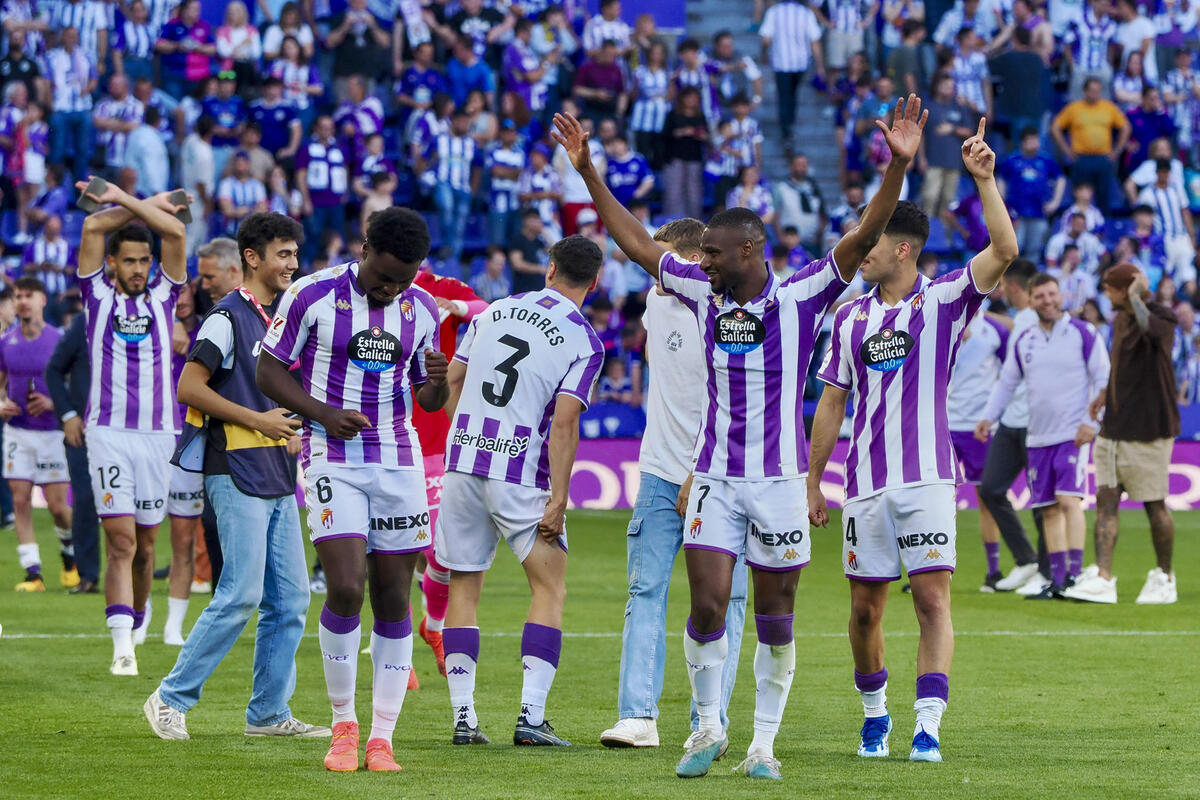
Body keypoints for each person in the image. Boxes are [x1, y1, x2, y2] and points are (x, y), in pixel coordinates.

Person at [554, 95, 925, 780]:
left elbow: (865, 227)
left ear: (750, 248)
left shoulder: (807, 292)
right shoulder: (699, 292)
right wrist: (589, 175)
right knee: (704, 604)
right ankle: (705, 727)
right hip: (716, 480)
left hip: (781, 483)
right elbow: (637, 243)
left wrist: (895, 168)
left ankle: (763, 744)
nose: (707, 264)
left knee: (776, 617)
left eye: (717, 255)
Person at [807, 118, 1019, 765]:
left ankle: (927, 724)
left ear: (902, 249)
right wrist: (814, 481)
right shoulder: (849, 318)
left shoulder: (949, 298)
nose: (858, 248)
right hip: (865, 483)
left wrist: (983, 180)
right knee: (866, 610)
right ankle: (875, 715)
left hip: (927, 478)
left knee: (931, 598)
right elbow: (832, 401)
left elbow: (1004, 251)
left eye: (870, 241)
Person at [257, 207, 449, 773]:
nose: (393, 288)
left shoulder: (421, 308)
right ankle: (343, 725)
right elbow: (268, 370)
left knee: (394, 599)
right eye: (386, 275)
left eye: (405, 278)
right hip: (331, 457)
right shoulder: (312, 294)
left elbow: (427, 400)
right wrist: (321, 413)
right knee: (345, 587)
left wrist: (436, 381)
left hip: (397, 462)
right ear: (364, 249)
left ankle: (381, 739)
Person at [144, 212, 329, 741]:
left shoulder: (283, 317)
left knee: (292, 599)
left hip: (275, 468)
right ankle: (169, 697)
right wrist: (259, 420)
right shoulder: (226, 317)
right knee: (240, 594)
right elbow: (189, 387)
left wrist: (291, 428)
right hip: (233, 465)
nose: (293, 263)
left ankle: (268, 715)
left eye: (295, 253)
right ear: (253, 258)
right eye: (284, 254)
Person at [435, 234, 604, 749]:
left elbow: (453, 380)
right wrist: (559, 496)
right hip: (520, 472)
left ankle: (465, 719)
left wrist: (463, 433)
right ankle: (530, 716)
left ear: (549, 269)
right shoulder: (584, 340)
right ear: (594, 284)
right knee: (549, 587)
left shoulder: (494, 311)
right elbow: (564, 425)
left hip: (463, 463)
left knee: (464, 586)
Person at [599, 218, 749, 749]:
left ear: (693, 261)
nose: (651, 269)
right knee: (645, 591)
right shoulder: (653, 303)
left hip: (719, 478)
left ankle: (710, 722)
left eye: (661, 260)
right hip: (658, 474)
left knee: (726, 602)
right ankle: (638, 716)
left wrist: (697, 472)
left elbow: (732, 403)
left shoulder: (724, 314)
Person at [75, 182, 189, 676]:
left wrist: (133, 199)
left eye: (145, 261)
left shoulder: (166, 293)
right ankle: (123, 645)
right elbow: (92, 224)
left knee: (146, 548)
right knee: (120, 543)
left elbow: (176, 231)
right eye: (129, 261)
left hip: (159, 436)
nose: (139, 269)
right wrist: (148, 203)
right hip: (108, 434)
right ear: (112, 265)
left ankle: (138, 619)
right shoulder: (95, 293)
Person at [977, 273, 1110, 599]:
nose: (1047, 301)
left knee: (1069, 501)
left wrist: (1093, 422)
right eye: (1040, 296)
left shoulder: (1083, 333)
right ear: (1031, 300)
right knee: (1048, 508)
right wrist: (987, 417)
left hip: (1072, 434)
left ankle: (1075, 577)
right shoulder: (1025, 341)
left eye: (1052, 294)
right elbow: (1007, 383)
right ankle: (1058, 579)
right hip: (1037, 437)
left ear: (1060, 296)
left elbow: (1104, 379)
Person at [1066, 264, 1179, 604]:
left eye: (1111, 289)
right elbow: (1121, 363)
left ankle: (1164, 577)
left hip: (1149, 429)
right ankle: (1103, 578)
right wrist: (1105, 395)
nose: (1106, 294)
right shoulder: (1119, 320)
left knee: (1154, 506)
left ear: (1127, 289)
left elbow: (1152, 331)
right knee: (1106, 500)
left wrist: (1135, 296)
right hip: (1114, 429)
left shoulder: (1162, 316)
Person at [410, 264, 488, 676]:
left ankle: (434, 626)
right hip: (389, 432)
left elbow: (484, 308)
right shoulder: (365, 288)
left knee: (440, 550)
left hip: (439, 434)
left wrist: (453, 305)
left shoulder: (440, 287)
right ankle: (397, 650)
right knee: (390, 551)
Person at [0, 277, 74, 591]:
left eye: (29, 295)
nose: (22, 301)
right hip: (18, 432)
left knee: (57, 507)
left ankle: (69, 554)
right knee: (19, 500)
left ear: (43, 300)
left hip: (52, 433)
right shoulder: (6, 343)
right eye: (18, 296)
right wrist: (1, 404)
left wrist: (53, 402)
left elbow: (77, 388)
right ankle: (33, 572)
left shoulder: (60, 340)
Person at [947, 310, 1011, 591]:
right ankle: (934, 573)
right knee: (939, 504)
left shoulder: (996, 330)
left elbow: (1012, 373)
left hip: (980, 428)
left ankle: (993, 572)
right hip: (943, 423)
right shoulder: (940, 323)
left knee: (987, 498)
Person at [45, 297, 100, 594]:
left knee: (137, 504)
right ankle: (88, 574)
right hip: (84, 429)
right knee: (85, 498)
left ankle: (135, 569)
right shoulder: (84, 323)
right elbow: (53, 370)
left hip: (129, 428)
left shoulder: (143, 321)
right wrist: (67, 415)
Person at [1050, 77, 1131, 215]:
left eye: (1098, 91)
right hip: (1081, 158)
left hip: (1103, 159)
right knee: (1080, 197)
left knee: (1104, 197)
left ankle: (1103, 228)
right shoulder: (1074, 108)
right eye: (1092, 91)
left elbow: (1125, 127)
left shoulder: (1108, 107)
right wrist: (1066, 150)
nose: (1095, 94)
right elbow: (1055, 127)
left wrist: (1117, 151)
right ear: (1085, 91)